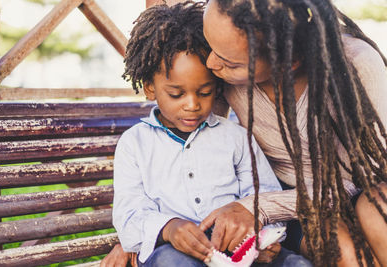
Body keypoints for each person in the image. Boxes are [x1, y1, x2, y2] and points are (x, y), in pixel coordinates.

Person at [102, 0, 387, 266]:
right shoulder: (223, 73)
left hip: (358, 186)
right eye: (209, 44)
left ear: (287, 61)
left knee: (378, 215)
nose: (212, 65)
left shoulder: (355, 66)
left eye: (229, 61)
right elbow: (197, 150)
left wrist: (256, 209)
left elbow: (360, 179)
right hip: (293, 206)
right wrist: (143, 235)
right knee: (344, 252)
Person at [110, 2, 311, 267]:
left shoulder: (236, 138)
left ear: (217, 87)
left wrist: (260, 241)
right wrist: (168, 228)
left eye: (204, 93)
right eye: (176, 94)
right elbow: (129, 212)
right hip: (174, 252)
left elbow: (264, 193)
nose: (192, 104)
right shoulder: (135, 144)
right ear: (149, 88)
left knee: (296, 264)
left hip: (239, 249)